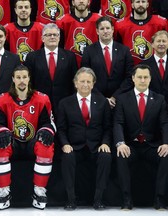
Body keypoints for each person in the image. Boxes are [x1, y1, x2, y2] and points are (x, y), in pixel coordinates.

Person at [0, 65, 56, 210]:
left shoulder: (42, 99)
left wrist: (46, 130)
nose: (21, 81)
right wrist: (0, 131)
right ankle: (4, 191)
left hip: (32, 143)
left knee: (46, 146)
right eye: (18, 77)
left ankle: (39, 190)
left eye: (24, 77)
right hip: (13, 142)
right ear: (13, 79)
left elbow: (49, 123)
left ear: (29, 79)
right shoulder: (1, 101)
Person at [114, 64, 168, 210]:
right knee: (121, 156)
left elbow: (164, 123)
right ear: (133, 78)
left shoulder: (159, 99)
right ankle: (126, 199)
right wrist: (120, 143)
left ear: (150, 79)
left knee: (166, 156)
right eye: (139, 77)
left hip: (151, 145)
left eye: (145, 77)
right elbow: (118, 122)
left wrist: (166, 143)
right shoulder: (123, 99)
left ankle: (160, 200)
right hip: (131, 144)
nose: (142, 80)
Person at [57, 67, 112, 210]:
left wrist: (105, 143)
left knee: (106, 156)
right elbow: (61, 129)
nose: (85, 84)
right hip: (74, 146)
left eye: (89, 81)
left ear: (93, 84)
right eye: (82, 81)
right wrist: (65, 144)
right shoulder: (65, 103)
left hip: (95, 146)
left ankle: (98, 199)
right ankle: (71, 199)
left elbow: (107, 127)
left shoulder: (102, 102)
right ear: (75, 83)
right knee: (67, 157)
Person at [24, 23, 78, 114]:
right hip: (40, 104)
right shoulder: (32, 57)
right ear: (42, 38)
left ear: (59, 37)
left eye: (55, 35)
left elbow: (74, 81)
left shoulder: (70, 56)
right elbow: (29, 82)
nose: (52, 37)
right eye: (48, 35)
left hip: (64, 104)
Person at [81, 16, 134, 108]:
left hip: (120, 100)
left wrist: (114, 97)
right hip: (96, 101)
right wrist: (102, 99)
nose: (105, 31)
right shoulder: (88, 51)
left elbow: (130, 77)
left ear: (113, 29)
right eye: (102, 28)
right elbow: (85, 76)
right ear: (97, 31)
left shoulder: (124, 50)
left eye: (108, 28)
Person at [114, 0, 167, 65]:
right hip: (130, 68)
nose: (140, 4)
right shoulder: (121, 25)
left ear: (147, 4)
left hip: (155, 68)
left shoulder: (161, 23)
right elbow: (117, 49)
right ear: (132, 5)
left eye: (143, 1)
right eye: (138, 2)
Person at [56, 0, 101, 66]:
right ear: (73, 2)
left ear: (89, 2)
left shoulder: (99, 20)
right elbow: (60, 48)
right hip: (70, 65)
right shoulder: (63, 21)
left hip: (94, 64)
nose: (81, 1)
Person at [141, 30, 168, 104]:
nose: (161, 44)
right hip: (152, 105)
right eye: (158, 41)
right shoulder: (144, 65)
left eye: (164, 41)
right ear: (152, 44)